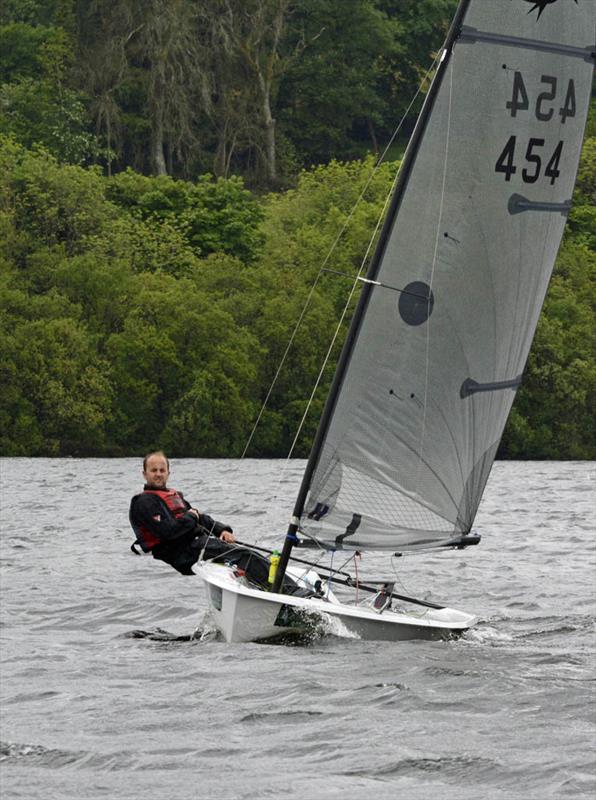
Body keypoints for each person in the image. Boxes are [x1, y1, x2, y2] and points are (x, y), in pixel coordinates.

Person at [129, 451, 269, 581]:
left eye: (162, 470)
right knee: (244, 556)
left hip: (196, 544)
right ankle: (284, 590)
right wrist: (191, 516)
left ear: (168, 473)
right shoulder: (144, 503)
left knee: (247, 554)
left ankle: (272, 584)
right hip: (181, 554)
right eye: (153, 470)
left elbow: (199, 518)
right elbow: (168, 531)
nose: (158, 474)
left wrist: (222, 530)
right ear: (145, 474)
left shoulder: (173, 495)